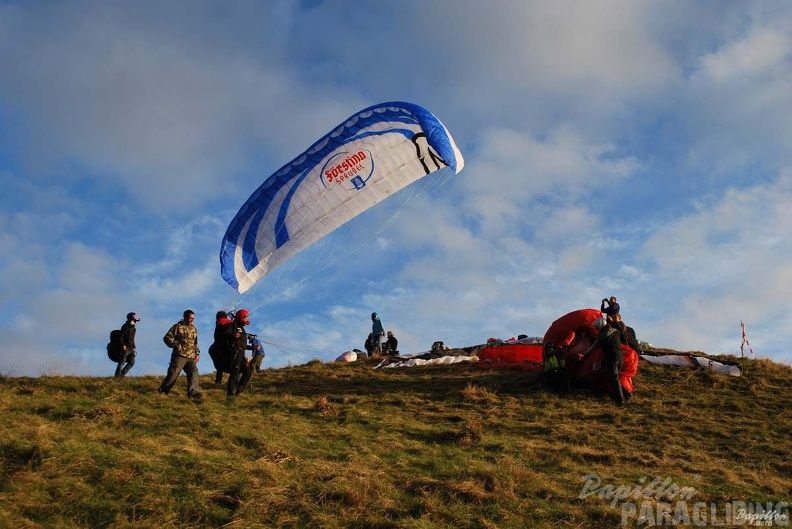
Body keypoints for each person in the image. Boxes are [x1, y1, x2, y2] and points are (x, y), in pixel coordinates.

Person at [158, 309, 203, 400]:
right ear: (185, 317)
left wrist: (197, 353)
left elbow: (195, 343)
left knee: (193, 373)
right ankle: (162, 391)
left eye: (193, 318)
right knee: (173, 374)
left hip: (190, 357)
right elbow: (167, 337)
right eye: (190, 318)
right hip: (179, 355)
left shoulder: (194, 329)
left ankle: (194, 393)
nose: (191, 320)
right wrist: (176, 344)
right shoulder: (178, 326)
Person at [585, 317, 625, 406]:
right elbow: (624, 340)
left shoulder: (603, 334)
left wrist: (584, 355)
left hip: (612, 359)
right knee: (615, 379)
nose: (596, 329)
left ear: (600, 326)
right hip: (620, 358)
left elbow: (595, 346)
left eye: (596, 327)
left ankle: (620, 400)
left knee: (614, 379)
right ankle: (619, 395)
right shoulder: (616, 331)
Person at [216, 309, 253, 396]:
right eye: (245, 317)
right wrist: (234, 335)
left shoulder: (242, 328)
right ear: (241, 317)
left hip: (241, 353)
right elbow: (225, 335)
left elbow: (242, 343)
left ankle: (239, 391)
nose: (247, 319)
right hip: (234, 352)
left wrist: (252, 347)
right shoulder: (232, 325)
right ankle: (230, 394)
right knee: (235, 372)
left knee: (248, 372)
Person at [209, 310, 234, 384]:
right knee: (234, 366)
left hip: (216, 349)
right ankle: (233, 384)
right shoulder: (230, 324)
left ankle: (218, 381)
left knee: (219, 366)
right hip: (226, 349)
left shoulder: (218, 324)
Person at [114, 312, 139, 378]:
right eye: (135, 317)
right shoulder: (125, 327)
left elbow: (132, 339)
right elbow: (120, 337)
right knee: (122, 361)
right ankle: (117, 375)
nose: (136, 318)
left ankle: (122, 374)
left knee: (132, 362)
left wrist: (134, 347)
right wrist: (123, 345)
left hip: (131, 348)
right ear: (132, 318)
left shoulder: (134, 329)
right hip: (125, 348)